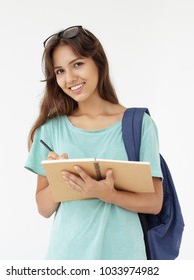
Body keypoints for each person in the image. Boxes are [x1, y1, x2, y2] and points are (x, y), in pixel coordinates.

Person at [25, 25, 163, 260]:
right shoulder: (50, 130)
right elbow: (44, 208)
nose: (69, 78)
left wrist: (109, 194)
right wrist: (61, 179)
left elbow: (154, 203)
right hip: (67, 258)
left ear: (98, 61)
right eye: (59, 71)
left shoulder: (139, 124)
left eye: (77, 64)